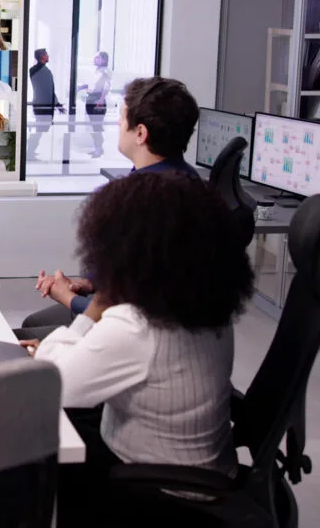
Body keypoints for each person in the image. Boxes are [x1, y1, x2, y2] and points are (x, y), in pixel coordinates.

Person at [27, 172, 252, 527]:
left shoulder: (136, 323)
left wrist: (96, 307)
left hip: (162, 493)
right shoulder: (207, 306)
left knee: (34, 438)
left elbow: (51, 384)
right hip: (201, 470)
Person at [20, 77, 201, 340]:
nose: (117, 122)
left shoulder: (152, 204)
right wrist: (90, 283)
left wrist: (68, 297)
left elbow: (125, 311)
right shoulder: (177, 177)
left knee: (18, 339)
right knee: (32, 322)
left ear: (140, 133)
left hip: (134, 329)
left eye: (122, 116)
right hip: (124, 307)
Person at [28, 49, 65, 160]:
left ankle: (30, 151)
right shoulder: (43, 71)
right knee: (40, 130)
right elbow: (48, 90)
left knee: (39, 129)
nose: (48, 56)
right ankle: (29, 152)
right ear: (42, 56)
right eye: (46, 54)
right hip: (44, 105)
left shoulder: (36, 70)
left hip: (40, 104)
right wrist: (57, 104)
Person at [79, 52, 112, 158]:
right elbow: (91, 84)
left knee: (97, 126)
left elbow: (106, 86)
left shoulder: (106, 72)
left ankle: (98, 148)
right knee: (93, 126)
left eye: (98, 58)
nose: (95, 59)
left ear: (104, 60)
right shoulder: (95, 71)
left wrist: (101, 99)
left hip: (98, 99)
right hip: (90, 98)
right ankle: (98, 148)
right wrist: (80, 87)